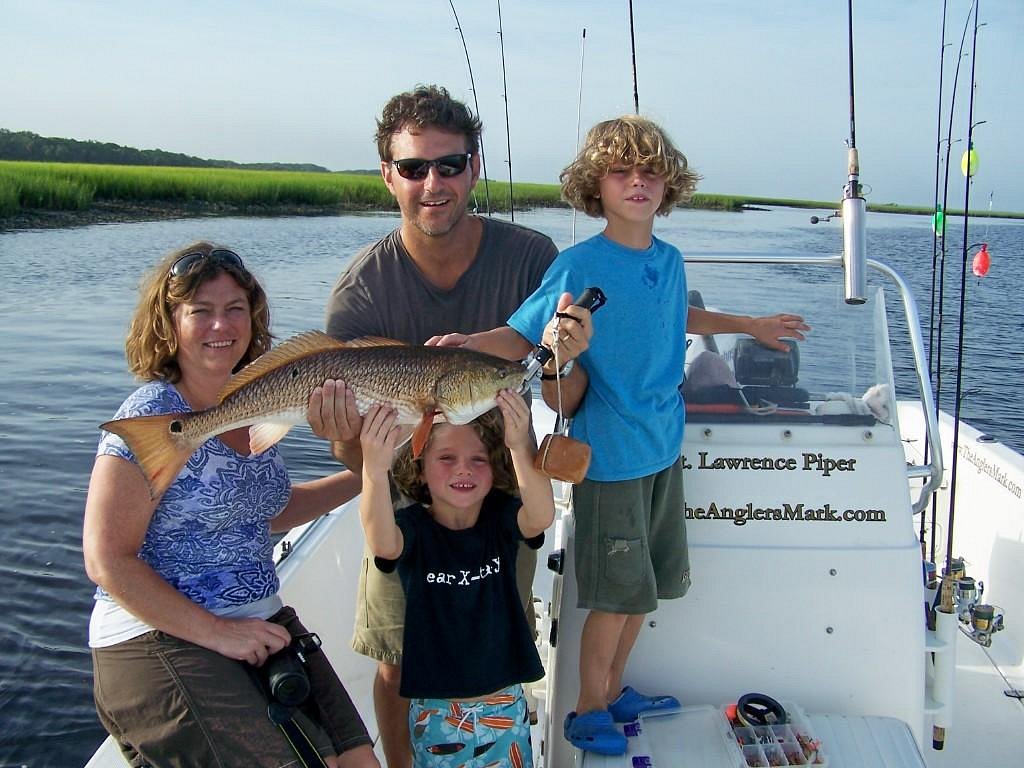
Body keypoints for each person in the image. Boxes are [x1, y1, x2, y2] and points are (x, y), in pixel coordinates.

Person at [505, 116, 811, 755]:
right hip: (610, 456)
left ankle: (616, 689)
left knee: (645, 590)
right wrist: (455, 349)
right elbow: (522, 334)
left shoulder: (668, 259)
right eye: (622, 172)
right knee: (613, 598)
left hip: (662, 448)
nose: (637, 182)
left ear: (668, 185)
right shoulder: (578, 264)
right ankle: (588, 708)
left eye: (650, 172)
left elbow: (679, 315)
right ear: (597, 186)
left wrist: (749, 324)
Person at [307, 84, 579, 768]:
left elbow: (572, 387)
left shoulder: (531, 258)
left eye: (450, 165)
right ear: (388, 175)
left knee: (494, 653)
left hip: (500, 485)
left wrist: (556, 355)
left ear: (474, 168)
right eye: (414, 167)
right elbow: (348, 451)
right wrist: (342, 430)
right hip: (401, 491)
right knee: (401, 660)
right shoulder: (362, 289)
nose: (434, 183)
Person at [83, 241, 379, 768]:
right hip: (156, 635)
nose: (221, 326)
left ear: (253, 318)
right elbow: (106, 559)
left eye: (235, 310)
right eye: (201, 311)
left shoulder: (260, 401)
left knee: (357, 761)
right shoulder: (155, 417)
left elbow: (268, 511)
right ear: (170, 322)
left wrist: (370, 471)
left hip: (259, 624)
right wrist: (219, 633)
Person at [357, 391, 554, 767]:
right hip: (435, 710)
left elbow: (541, 515)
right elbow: (382, 541)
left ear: (494, 469)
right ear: (419, 468)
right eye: (446, 458)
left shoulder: (502, 518)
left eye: (478, 460)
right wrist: (373, 469)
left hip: (505, 703)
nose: (463, 469)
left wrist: (517, 443)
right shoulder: (412, 529)